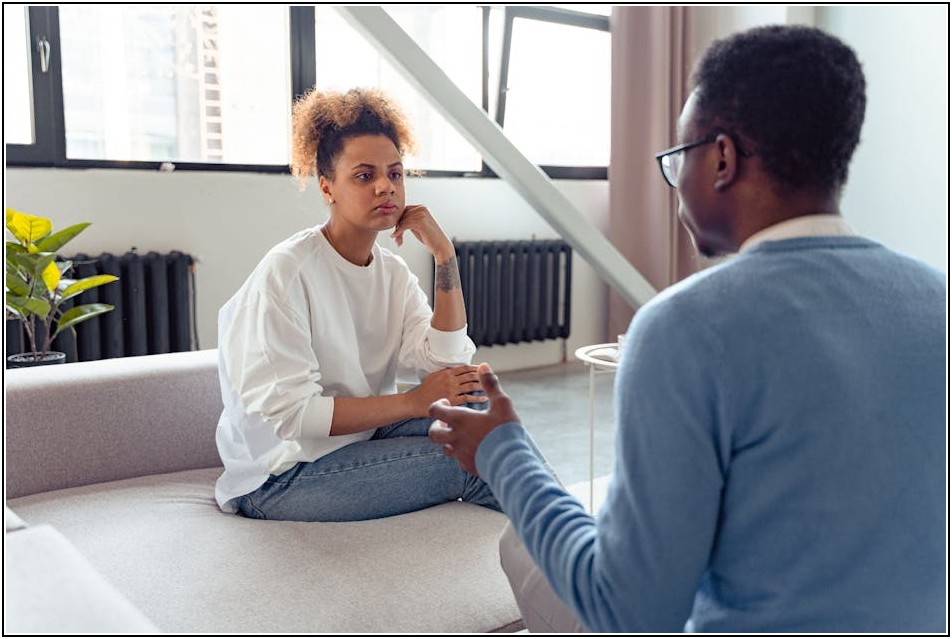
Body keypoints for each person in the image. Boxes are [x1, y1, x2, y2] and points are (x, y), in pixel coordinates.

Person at [429, 24, 947, 633]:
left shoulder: (685, 328)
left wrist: (503, 451)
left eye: (678, 160)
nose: (675, 185)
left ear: (722, 158)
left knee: (522, 545)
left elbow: (630, 613)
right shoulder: (934, 297)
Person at [213, 87, 501, 522]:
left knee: (485, 415)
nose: (386, 186)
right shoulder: (287, 272)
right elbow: (297, 416)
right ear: (327, 188)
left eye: (396, 173)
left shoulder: (391, 272)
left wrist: (445, 255)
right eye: (365, 176)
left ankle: (589, 554)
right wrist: (413, 402)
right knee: (474, 461)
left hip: (358, 441)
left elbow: (447, 360)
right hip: (281, 476)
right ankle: (580, 567)